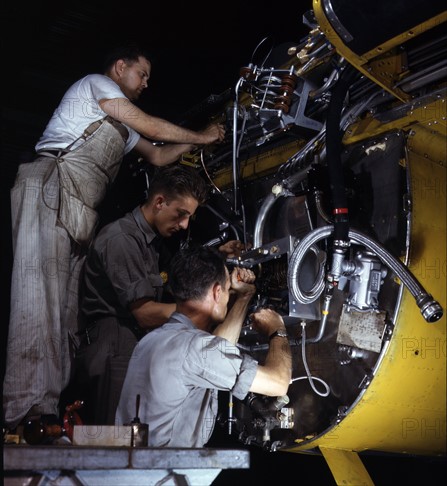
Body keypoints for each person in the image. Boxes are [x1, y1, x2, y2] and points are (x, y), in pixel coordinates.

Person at [3, 44, 225, 431]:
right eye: (142, 75)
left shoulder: (122, 133)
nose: (145, 84)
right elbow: (151, 126)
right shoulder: (96, 86)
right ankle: (24, 414)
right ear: (120, 67)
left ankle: (46, 411)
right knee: (37, 300)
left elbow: (157, 155)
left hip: (78, 209)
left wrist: (198, 141)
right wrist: (203, 135)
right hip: (50, 187)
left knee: (62, 315)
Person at [74, 164, 237, 424]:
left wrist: (218, 258)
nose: (184, 225)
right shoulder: (122, 240)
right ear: (159, 201)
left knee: (132, 440)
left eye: (188, 217)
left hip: (129, 342)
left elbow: (176, 280)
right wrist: (202, 305)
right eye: (180, 214)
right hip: (114, 344)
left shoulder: (151, 241)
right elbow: (146, 314)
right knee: (115, 442)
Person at [115, 245, 292, 448]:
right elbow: (278, 382)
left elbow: (217, 350)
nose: (228, 296)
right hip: (165, 474)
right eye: (227, 290)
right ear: (217, 292)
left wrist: (244, 296)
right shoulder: (195, 350)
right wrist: (277, 329)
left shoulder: (151, 341)